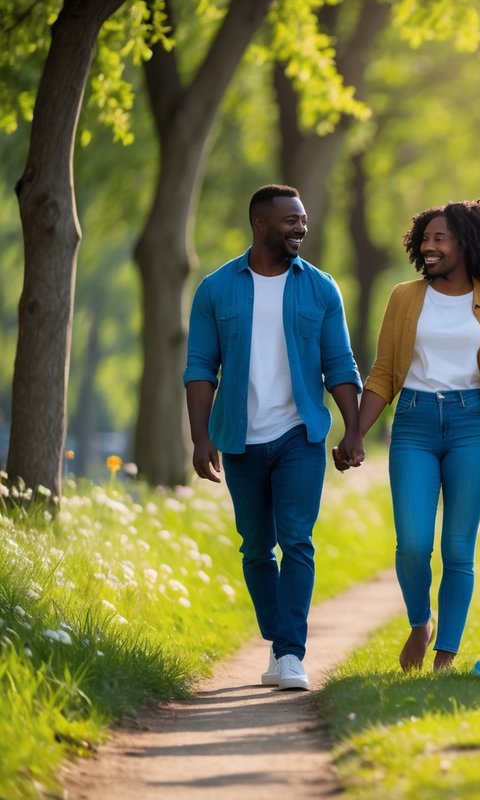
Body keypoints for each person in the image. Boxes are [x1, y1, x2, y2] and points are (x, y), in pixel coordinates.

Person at [184, 184, 363, 691]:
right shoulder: (216, 289)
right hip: (239, 438)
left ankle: (289, 653)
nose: (300, 228)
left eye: (302, 220)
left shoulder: (321, 288)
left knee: (297, 542)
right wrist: (200, 437)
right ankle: (278, 633)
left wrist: (353, 430)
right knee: (256, 548)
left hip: (299, 435)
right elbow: (200, 367)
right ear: (260, 223)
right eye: (290, 221)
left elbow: (340, 364)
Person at [337, 199, 480, 673]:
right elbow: (382, 373)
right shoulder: (405, 297)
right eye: (425, 239)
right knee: (414, 543)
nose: (429, 247)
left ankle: (445, 657)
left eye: (440, 239)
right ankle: (421, 621)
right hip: (415, 422)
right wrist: (355, 433)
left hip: (473, 426)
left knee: (459, 548)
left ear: (467, 243)